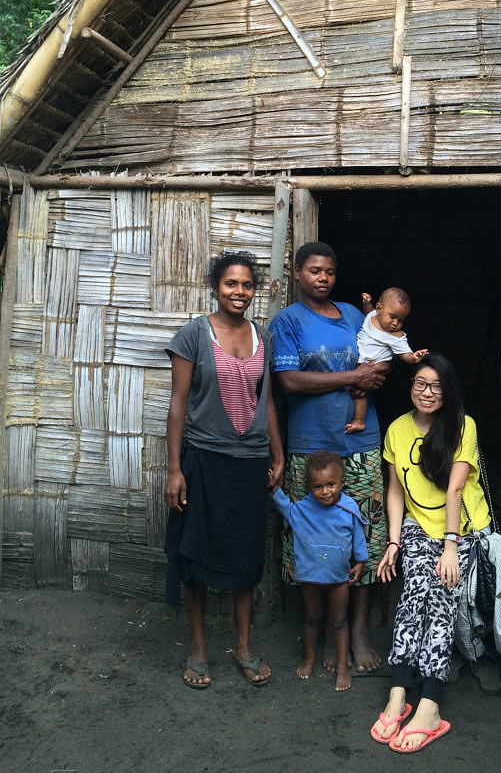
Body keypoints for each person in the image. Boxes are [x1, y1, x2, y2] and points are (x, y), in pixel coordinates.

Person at [164, 252, 284, 689]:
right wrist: (174, 468)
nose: (240, 292)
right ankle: (197, 648)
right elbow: (178, 403)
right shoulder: (194, 334)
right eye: (231, 284)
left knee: (245, 555)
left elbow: (267, 399)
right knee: (195, 554)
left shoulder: (262, 336)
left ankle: (244, 647)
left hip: (249, 463)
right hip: (202, 459)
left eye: (247, 285)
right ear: (215, 287)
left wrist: (278, 452)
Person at [269, 241, 388, 674]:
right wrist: (353, 375)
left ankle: (357, 631)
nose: (324, 278)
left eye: (330, 272)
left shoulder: (354, 316)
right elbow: (289, 381)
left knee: (363, 536)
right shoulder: (287, 322)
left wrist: (373, 375)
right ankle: (314, 631)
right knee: (315, 540)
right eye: (315, 270)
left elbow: (375, 359)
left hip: (360, 442)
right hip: (311, 447)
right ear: (298, 272)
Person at [370, 352, 491, 752]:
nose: (427, 392)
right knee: (412, 593)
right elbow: (394, 490)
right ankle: (399, 693)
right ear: (411, 387)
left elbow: (455, 489)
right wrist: (393, 542)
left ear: (448, 391)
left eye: (436, 386)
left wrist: (451, 547)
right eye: (421, 383)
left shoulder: (463, 426)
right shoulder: (397, 430)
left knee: (439, 592)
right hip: (418, 528)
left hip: (463, 530)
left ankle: (431, 703)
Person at [272, 450, 368, 691]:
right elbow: (284, 505)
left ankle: (344, 665)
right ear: (309, 487)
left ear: (342, 482)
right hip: (311, 579)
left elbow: (358, 538)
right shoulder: (302, 510)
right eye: (318, 487)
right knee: (312, 617)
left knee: (339, 620)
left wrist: (360, 562)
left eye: (331, 484)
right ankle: (310, 658)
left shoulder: (349, 509)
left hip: (338, 580)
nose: (325, 491)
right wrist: (273, 487)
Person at [345, 287, 428, 434]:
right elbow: (369, 312)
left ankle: (359, 421)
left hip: (370, 368)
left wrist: (413, 357)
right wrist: (366, 303)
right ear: (378, 308)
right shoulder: (372, 317)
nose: (396, 323)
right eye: (393, 317)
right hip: (358, 364)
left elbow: (404, 353)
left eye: (401, 320)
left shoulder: (396, 336)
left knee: (359, 394)